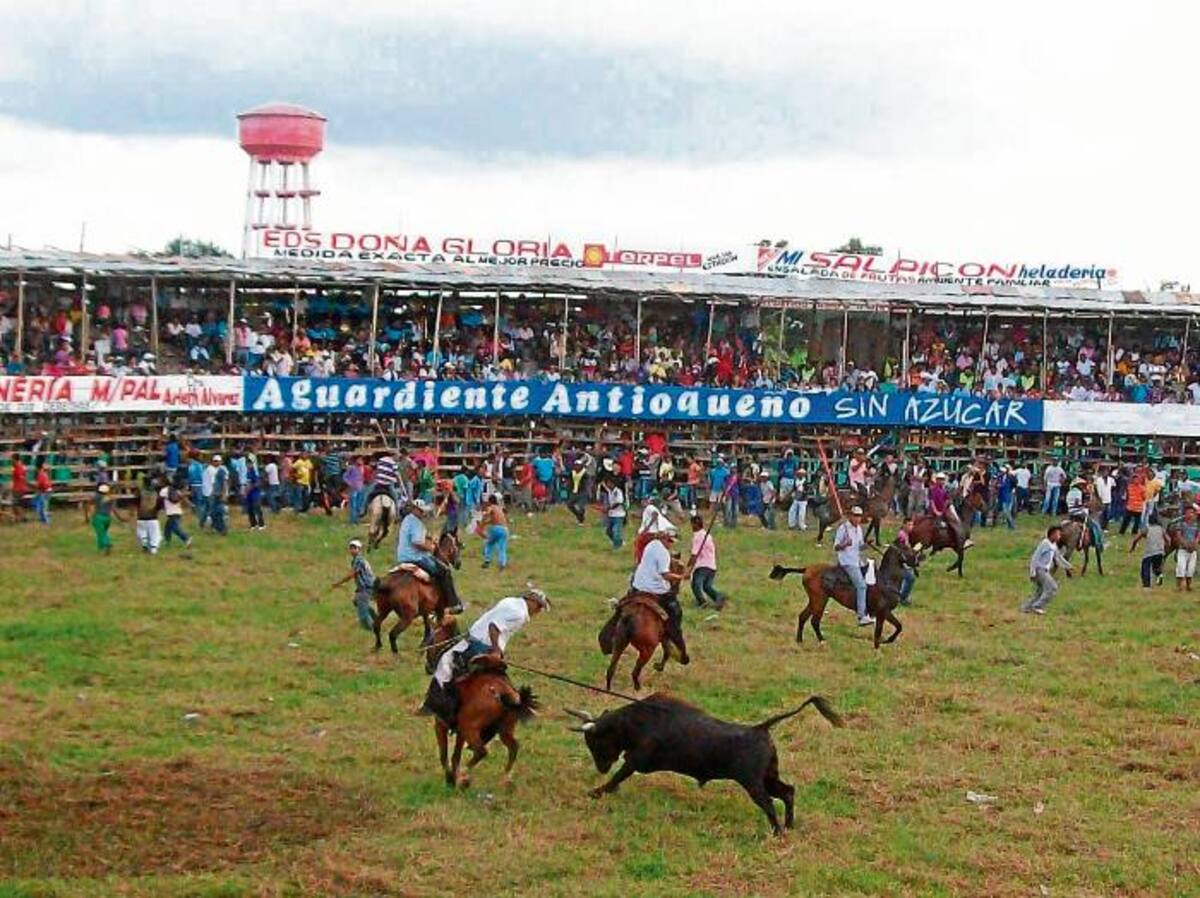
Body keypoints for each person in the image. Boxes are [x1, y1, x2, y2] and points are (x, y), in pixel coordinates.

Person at [422, 587, 550, 726]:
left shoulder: (510, 601)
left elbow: (493, 624)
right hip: (483, 644)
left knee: (444, 662)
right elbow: (493, 627)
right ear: (531, 601)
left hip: (481, 641)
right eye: (539, 606)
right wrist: (495, 650)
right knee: (445, 661)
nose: (538, 610)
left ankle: (434, 704)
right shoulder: (519, 613)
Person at [395, 497, 463, 613]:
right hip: (416, 557)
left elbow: (422, 534)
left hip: (402, 556)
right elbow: (417, 542)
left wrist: (430, 537)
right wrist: (431, 547)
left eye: (423, 511)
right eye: (420, 510)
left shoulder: (408, 520)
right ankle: (452, 603)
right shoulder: (416, 522)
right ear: (414, 510)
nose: (423, 513)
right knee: (444, 571)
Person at [631, 529, 686, 643]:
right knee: (676, 611)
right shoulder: (663, 553)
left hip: (638, 584)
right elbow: (665, 575)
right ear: (664, 539)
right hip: (655, 589)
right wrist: (681, 577)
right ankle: (673, 636)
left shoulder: (651, 544)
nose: (671, 544)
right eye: (670, 541)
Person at [835, 506, 873, 626]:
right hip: (847, 561)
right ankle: (861, 616)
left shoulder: (859, 529)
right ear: (850, 516)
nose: (857, 519)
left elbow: (859, 546)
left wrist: (866, 545)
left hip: (857, 560)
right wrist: (844, 544)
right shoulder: (843, 528)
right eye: (855, 516)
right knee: (861, 586)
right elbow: (836, 547)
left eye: (859, 516)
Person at [1020, 525, 1071, 614]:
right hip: (1040, 570)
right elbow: (1035, 557)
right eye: (1058, 534)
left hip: (1045, 570)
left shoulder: (1053, 545)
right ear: (1052, 534)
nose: (1059, 537)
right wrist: (1032, 571)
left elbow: (1058, 557)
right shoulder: (1045, 543)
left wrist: (1068, 566)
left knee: (1039, 591)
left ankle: (1025, 607)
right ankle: (1037, 606)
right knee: (1052, 587)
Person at [330, 538, 376, 631]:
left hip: (366, 588)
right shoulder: (357, 560)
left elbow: (352, 574)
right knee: (356, 601)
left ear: (359, 549)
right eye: (351, 548)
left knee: (362, 614)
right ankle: (376, 618)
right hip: (366, 587)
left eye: (354, 548)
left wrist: (338, 583)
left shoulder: (359, 560)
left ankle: (373, 629)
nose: (352, 550)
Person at [688, 514, 726, 610]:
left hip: (702, 565)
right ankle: (718, 597)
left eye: (692, 524)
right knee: (707, 586)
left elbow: (694, 555)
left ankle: (702, 602)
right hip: (712, 565)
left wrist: (688, 567)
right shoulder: (707, 535)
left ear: (694, 524)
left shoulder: (697, 536)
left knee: (695, 584)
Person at [83, 483, 126, 553]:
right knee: (103, 533)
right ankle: (100, 548)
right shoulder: (110, 498)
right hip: (107, 518)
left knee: (101, 533)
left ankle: (107, 544)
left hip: (98, 517)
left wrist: (88, 515)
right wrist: (120, 518)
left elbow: (87, 503)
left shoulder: (96, 497)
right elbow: (114, 509)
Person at [1130, 512, 1166, 588]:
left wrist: (1133, 548)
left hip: (1150, 552)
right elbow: (1168, 540)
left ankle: (1146, 584)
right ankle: (1159, 575)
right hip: (1160, 552)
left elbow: (1136, 539)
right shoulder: (1161, 529)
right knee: (1156, 567)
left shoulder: (1147, 529)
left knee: (1145, 567)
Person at [133, 474, 164, 555]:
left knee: (142, 532)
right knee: (155, 535)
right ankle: (153, 550)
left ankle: (144, 543)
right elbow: (160, 505)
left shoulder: (140, 493)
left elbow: (135, 502)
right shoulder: (156, 493)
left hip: (141, 517)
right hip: (153, 517)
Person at [159, 478, 192, 547]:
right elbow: (183, 499)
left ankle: (186, 538)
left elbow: (160, 500)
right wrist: (191, 505)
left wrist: (161, 509)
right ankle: (167, 542)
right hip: (177, 512)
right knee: (167, 528)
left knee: (175, 528)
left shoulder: (164, 490)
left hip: (171, 513)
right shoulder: (176, 490)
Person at [480, 495, 510, 570]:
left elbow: (488, 513)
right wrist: (485, 523)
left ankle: (487, 561)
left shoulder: (491, 507)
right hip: (505, 529)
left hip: (496, 528)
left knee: (489, 543)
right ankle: (502, 563)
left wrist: (482, 519)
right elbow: (495, 519)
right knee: (502, 548)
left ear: (489, 501)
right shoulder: (499, 508)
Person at [1174, 505, 1199, 591]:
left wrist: (1195, 543)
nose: (1190, 514)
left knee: (1191, 569)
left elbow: (1198, 535)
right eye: (1188, 512)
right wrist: (1185, 544)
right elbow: (1178, 535)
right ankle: (1179, 586)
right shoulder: (1180, 523)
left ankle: (1188, 586)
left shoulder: (1196, 525)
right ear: (1185, 513)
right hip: (1182, 549)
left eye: (1192, 512)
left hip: (1193, 550)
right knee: (1181, 567)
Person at [603, 475, 627, 550]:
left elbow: (618, 502)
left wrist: (609, 508)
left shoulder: (618, 491)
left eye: (609, 483)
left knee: (616, 531)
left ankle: (616, 547)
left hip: (619, 515)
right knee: (608, 531)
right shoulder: (610, 491)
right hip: (611, 515)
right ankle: (619, 542)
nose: (608, 485)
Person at [1119, 469, 1146, 535]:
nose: (1135, 480)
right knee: (1126, 520)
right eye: (1134, 479)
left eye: (1137, 479)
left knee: (1137, 522)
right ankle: (1122, 532)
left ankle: (1134, 532)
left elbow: (1144, 498)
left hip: (1138, 508)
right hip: (1130, 507)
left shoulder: (1142, 488)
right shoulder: (1129, 487)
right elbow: (1127, 496)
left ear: (1139, 480)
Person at [208, 456, 230, 535]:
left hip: (219, 495)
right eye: (215, 461)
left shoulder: (221, 471)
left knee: (217, 512)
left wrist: (223, 494)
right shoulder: (216, 470)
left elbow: (224, 483)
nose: (216, 462)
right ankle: (218, 528)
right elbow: (215, 484)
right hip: (216, 494)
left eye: (218, 461)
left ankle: (222, 529)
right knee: (214, 513)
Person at [32, 460, 51, 525]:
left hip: (44, 491)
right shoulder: (44, 473)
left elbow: (38, 485)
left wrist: (28, 484)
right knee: (39, 505)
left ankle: (46, 522)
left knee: (42, 508)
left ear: (37, 468)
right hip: (46, 491)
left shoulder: (40, 474)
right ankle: (46, 518)